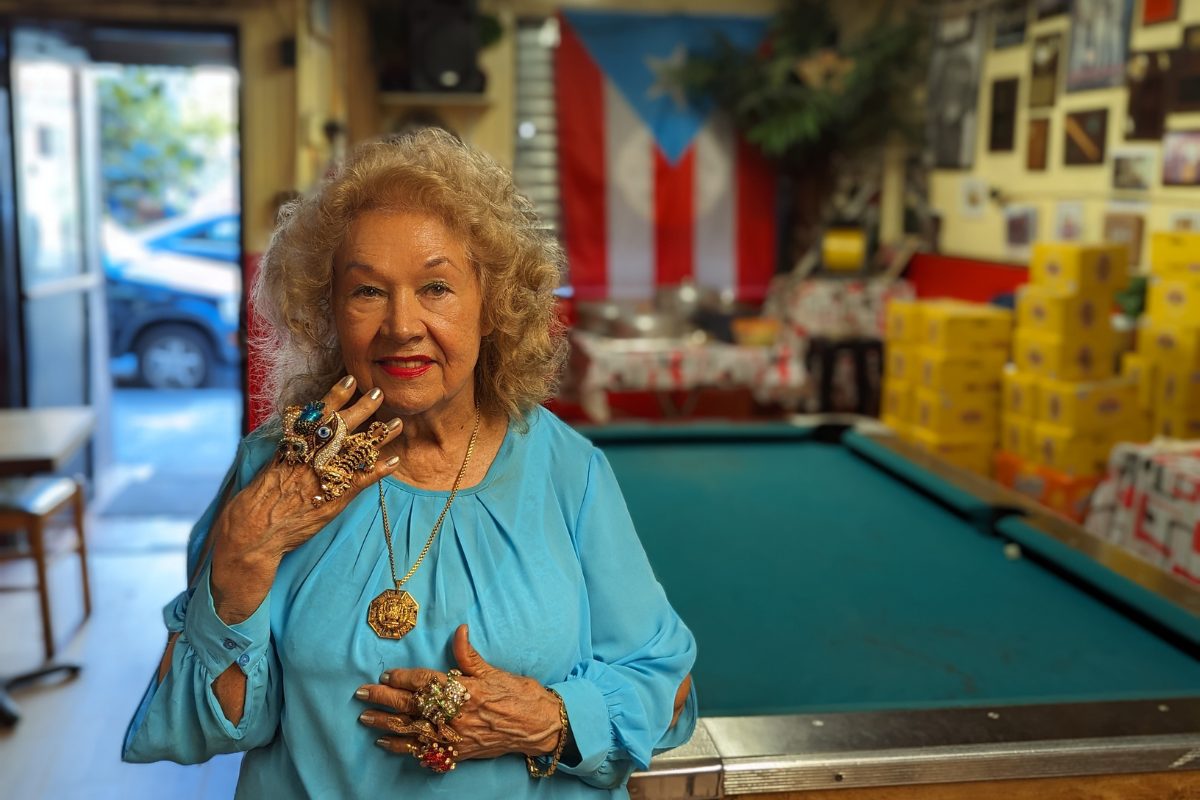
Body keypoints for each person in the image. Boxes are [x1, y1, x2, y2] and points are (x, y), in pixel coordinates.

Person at [122, 127, 697, 798]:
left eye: (435, 289)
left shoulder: (568, 470)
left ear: (493, 307)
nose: (401, 325)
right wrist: (240, 561)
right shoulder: (272, 472)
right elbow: (202, 729)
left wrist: (548, 721)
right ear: (329, 314)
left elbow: (668, 681)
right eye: (367, 292)